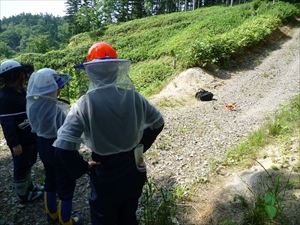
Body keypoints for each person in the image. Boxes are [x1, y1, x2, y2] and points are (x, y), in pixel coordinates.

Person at [53, 42, 164, 224]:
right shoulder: (133, 96)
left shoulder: (84, 104)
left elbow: (63, 147)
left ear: (90, 72)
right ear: (115, 70)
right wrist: (139, 147)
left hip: (105, 172)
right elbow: (158, 122)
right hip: (133, 169)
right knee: (128, 216)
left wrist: (82, 167)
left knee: (104, 218)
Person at [26, 68, 93, 225]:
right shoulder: (57, 109)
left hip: (42, 144)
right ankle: (66, 220)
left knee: (50, 179)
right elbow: (68, 133)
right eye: (58, 86)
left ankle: (51, 215)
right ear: (50, 88)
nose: (60, 89)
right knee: (66, 183)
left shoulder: (33, 105)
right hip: (58, 147)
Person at [0, 60, 44, 204]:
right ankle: (23, 195)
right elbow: (7, 125)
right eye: (22, 75)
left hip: (30, 137)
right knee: (21, 166)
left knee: (29, 163)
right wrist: (14, 144)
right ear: (12, 76)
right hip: (21, 141)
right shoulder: (5, 98)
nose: (25, 77)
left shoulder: (21, 91)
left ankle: (30, 187)